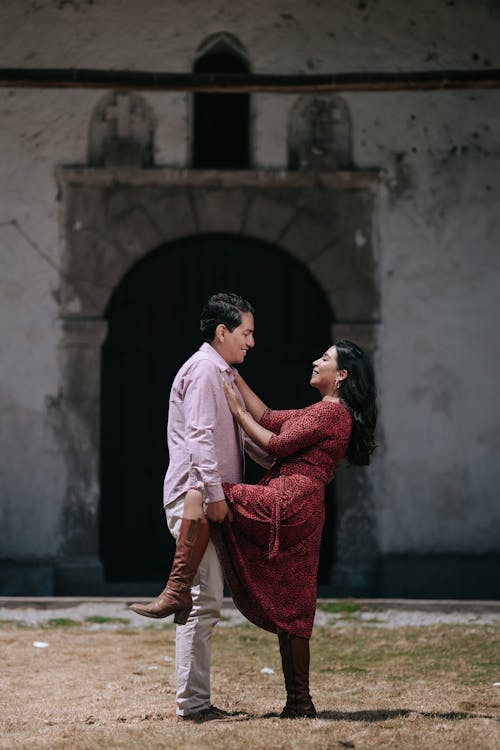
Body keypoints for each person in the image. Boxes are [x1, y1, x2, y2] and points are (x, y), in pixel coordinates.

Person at [134, 338, 377, 719]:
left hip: (289, 499)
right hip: (303, 506)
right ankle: (300, 702)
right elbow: (268, 415)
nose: (315, 361)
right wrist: (233, 375)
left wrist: (236, 412)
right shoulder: (321, 411)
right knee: (295, 601)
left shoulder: (333, 414)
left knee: (201, 493)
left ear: (342, 376)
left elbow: (275, 443)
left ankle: (177, 589)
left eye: (325, 359)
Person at [130, 292, 270, 723]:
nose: (251, 342)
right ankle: (193, 707)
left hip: (203, 498)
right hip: (198, 499)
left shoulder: (219, 371)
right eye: (246, 333)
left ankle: (194, 702)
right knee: (201, 602)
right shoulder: (207, 370)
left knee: (200, 601)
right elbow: (201, 439)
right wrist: (215, 496)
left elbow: (241, 437)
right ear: (222, 331)